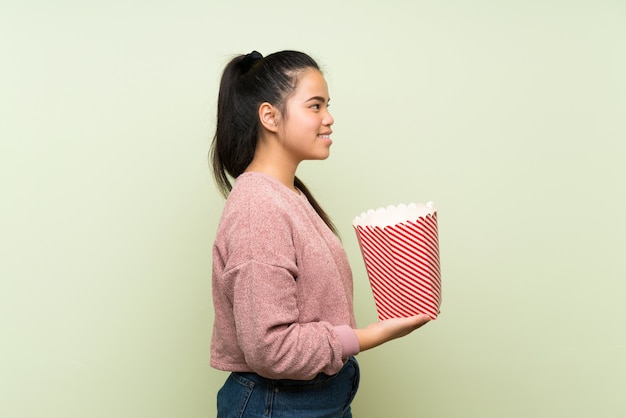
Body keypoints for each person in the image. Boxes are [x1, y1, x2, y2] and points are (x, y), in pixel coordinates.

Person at [209, 50, 430, 418]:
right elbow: (271, 348)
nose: (328, 119)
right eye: (315, 106)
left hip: (310, 397)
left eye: (326, 105)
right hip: (278, 403)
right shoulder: (258, 208)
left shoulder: (287, 195)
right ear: (270, 116)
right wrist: (374, 334)